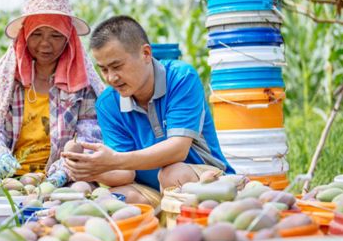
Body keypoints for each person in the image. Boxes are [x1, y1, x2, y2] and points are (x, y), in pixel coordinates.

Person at [62, 15, 235, 207]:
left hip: (202, 178)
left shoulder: (181, 78)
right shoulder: (108, 103)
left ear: (145, 53)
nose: (111, 78)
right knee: (112, 199)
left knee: (173, 174)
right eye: (103, 69)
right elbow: (125, 173)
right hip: (150, 189)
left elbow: (177, 150)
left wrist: (115, 160)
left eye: (117, 66)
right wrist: (93, 169)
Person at [0, 0, 133, 188]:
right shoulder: (5, 84)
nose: (45, 44)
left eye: (56, 35)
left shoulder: (81, 86)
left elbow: (90, 137)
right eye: (37, 34)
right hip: (9, 182)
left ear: (68, 39)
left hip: (66, 180)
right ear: (24, 37)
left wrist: (64, 171)